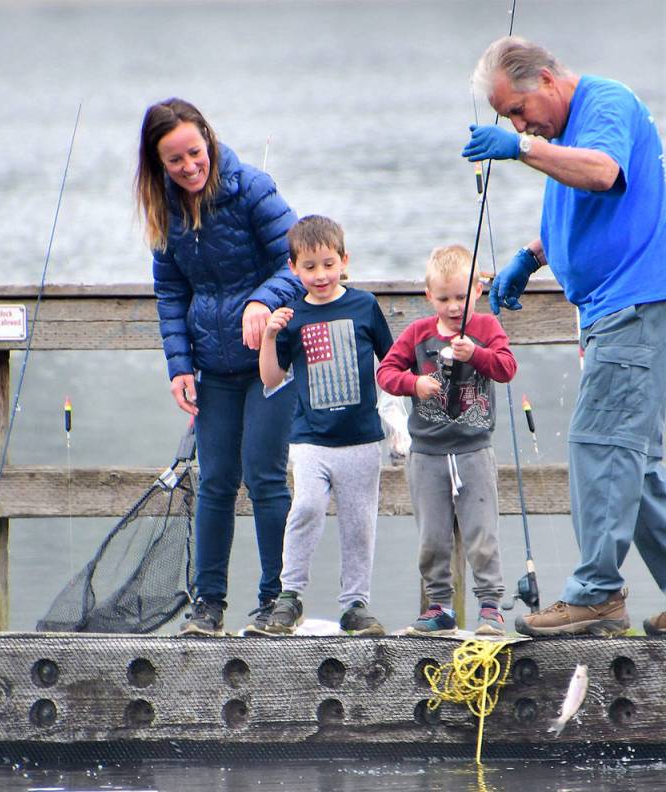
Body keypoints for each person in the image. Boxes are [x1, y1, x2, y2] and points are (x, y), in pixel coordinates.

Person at [463, 36, 666, 637]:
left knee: (597, 444)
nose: (520, 124)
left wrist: (520, 147)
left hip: (632, 304)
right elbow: (587, 207)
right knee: (641, 466)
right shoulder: (565, 131)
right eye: (508, 120)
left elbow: (603, 173)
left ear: (547, 80)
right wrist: (532, 255)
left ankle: (597, 594)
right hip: (613, 306)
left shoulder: (603, 104)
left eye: (519, 111)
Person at [135, 98, 301, 636]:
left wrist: (262, 301)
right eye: (174, 160)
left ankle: (277, 601)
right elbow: (170, 292)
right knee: (214, 483)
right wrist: (178, 366)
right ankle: (208, 605)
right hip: (213, 366)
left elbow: (297, 261)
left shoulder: (252, 188)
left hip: (271, 360)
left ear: (208, 139)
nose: (188, 167)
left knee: (266, 477)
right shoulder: (165, 210)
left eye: (194, 152)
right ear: (158, 164)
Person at [255, 216, 393, 636]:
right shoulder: (292, 317)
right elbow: (270, 379)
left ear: (344, 261)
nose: (320, 275)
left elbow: (391, 363)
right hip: (311, 438)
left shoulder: (365, 305)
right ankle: (289, 596)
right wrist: (268, 337)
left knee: (358, 524)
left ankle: (355, 604)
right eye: (310, 267)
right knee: (307, 508)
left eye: (328, 264)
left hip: (362, 440)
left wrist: (403, 413)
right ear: (294, 268)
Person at [377, 245, 516, 635]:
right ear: (429, 296)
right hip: (427, 454)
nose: (454, 306)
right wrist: (414, 383)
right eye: (444, 298)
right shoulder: (418, 334)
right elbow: (386, 372)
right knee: (432, 536)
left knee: (482, 532)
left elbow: (506, 368)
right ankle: (439, 606)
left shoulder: (487, 328)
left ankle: (490, 606)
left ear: (477, 289)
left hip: (474, 450)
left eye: (460, 296)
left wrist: (476, 353)